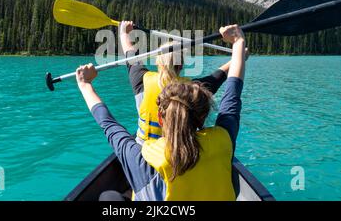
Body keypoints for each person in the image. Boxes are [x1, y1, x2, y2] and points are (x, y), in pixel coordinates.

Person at [76, 25, 246, 201]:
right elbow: (229, 86)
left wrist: (123, 33)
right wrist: (238, 47)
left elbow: (108, 122)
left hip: (146, 148)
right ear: (202, 113)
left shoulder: (144, 160)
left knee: (109, 197)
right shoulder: (217, 131)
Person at [119, 21, 246, 143]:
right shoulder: (194, 89)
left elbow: (131, 55)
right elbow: (218, 75)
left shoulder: (141, 79)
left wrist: (124, 33)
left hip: (144, 149)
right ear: (181, 65)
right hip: (181, 152)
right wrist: (239, 54)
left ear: (158, 62)